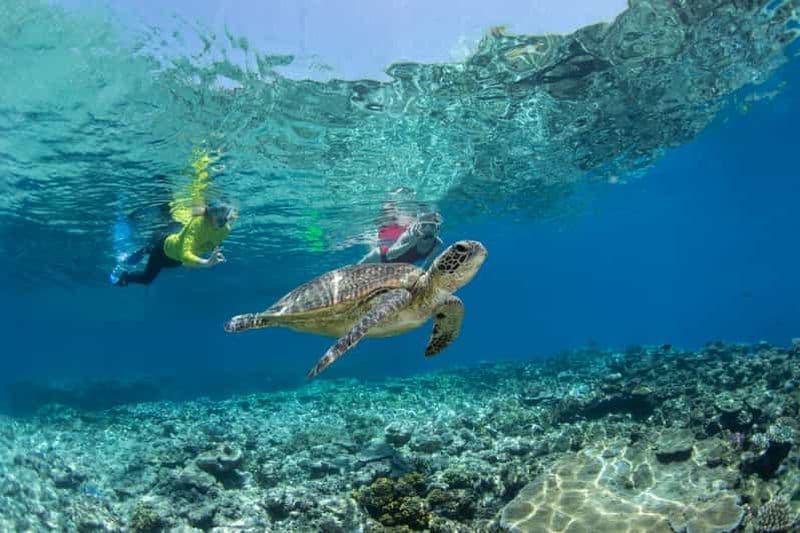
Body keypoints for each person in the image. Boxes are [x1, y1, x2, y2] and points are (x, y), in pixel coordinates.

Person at [110, 151, 237, 286]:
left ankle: (146, 249)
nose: (223, 217)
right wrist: (205, 263)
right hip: (161, 250)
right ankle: (130, 270)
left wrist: (213, 250)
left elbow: (212, 240)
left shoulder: (225, 229)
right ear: (209, 213)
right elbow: (185, 253)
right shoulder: (197, 223)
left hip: (174, 261)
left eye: (225, 213)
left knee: (170, 222)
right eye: (218, 212)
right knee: (147, 278)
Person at [358, 209, 443, 265]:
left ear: (437, 228)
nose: (427, 230)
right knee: (354, 272)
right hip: (381, 256)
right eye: (424, 226)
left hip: (396, 270)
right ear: (418, 226)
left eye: (432, 226)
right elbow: (389, 255)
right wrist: (411, 243)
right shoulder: (409, 236)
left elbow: (428, 265)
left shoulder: (437, 244)